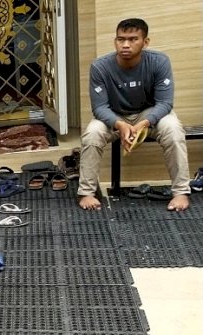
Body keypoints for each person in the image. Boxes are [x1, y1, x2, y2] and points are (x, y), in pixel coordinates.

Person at [77, 18, 189, 211]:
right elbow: (99, 107)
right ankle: (86, 192)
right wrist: (120, 124)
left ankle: (180, 192)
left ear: (145, 42)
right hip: (114, 115)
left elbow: (165, 103)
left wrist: (144, 123)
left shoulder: (159, 61)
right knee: (93, 131)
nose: (125, 44)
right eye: (120, 39)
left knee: (172, 128)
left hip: (149, 114)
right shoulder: (100, 67)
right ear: (115, 41)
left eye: (133, 39)